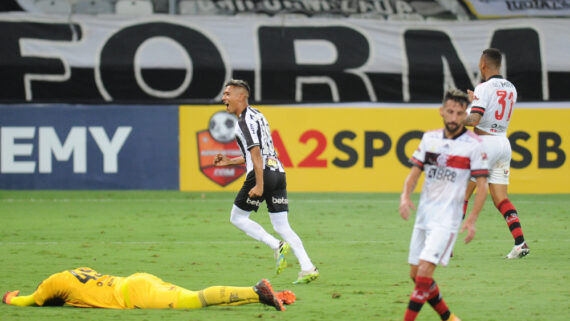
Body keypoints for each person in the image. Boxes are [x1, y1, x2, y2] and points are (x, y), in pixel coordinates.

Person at [214, 79, 319, 284]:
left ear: (241, 97)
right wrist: (230, 161)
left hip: (261, 174)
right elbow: (260, 151)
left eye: (228, 94)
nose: (223, 98)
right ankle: (307, 267)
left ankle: (275, 245)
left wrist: (259, 184)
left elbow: (255, 152)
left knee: (237, 218)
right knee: (282, 225)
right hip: (278, 172)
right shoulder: (258, 115)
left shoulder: (243, 121)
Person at [399, 89, 489, 321]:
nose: (453, 118)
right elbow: (414, 173)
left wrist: (471, 219)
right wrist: (405, 196)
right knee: (415, 274)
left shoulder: (474, 145)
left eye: (459, 113)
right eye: (450, 111)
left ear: (465, 115)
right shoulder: (430, 139)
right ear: (441, 111)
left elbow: (482, 186)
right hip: (424, 214)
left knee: (424, 274)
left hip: (447, 218)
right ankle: (449, 318)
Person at [463, 48, 530, 259]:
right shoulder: (511, 88)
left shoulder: (483, 87)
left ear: (483, 65)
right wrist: (476, 100)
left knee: (462, 195)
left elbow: (474, 120)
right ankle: (520, 243)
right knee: (501, 198)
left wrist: (455, 118)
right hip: (503, 143)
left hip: (484, 144)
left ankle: (444, 246)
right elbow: (492, 110)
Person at [2, 267, 295, 311]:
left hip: (136, 294)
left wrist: (10, 299)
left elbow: (29, 300)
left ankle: (256, 290)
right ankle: (265, 297)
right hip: (138, 280)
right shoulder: (72, 273)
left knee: (193, 300)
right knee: (195, 299)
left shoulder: (51, 284)